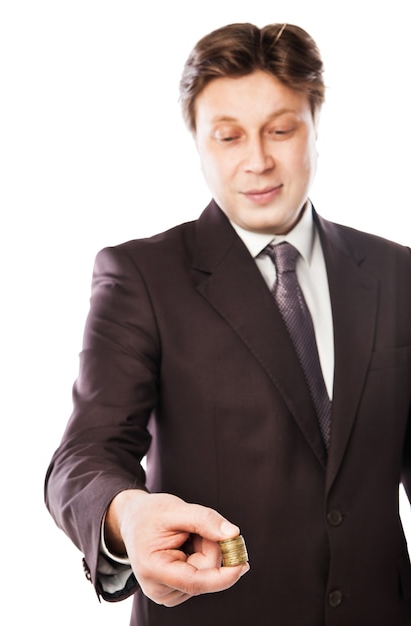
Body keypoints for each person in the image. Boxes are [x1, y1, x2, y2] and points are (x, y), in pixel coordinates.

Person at [44, 22, 411, 625]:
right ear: (197, 141)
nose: (258, 161)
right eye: (228, 136)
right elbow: (85, 453)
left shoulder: (397, 271)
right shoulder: (141, 275)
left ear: (316, 124)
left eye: (281, 130)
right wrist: (126, 515)